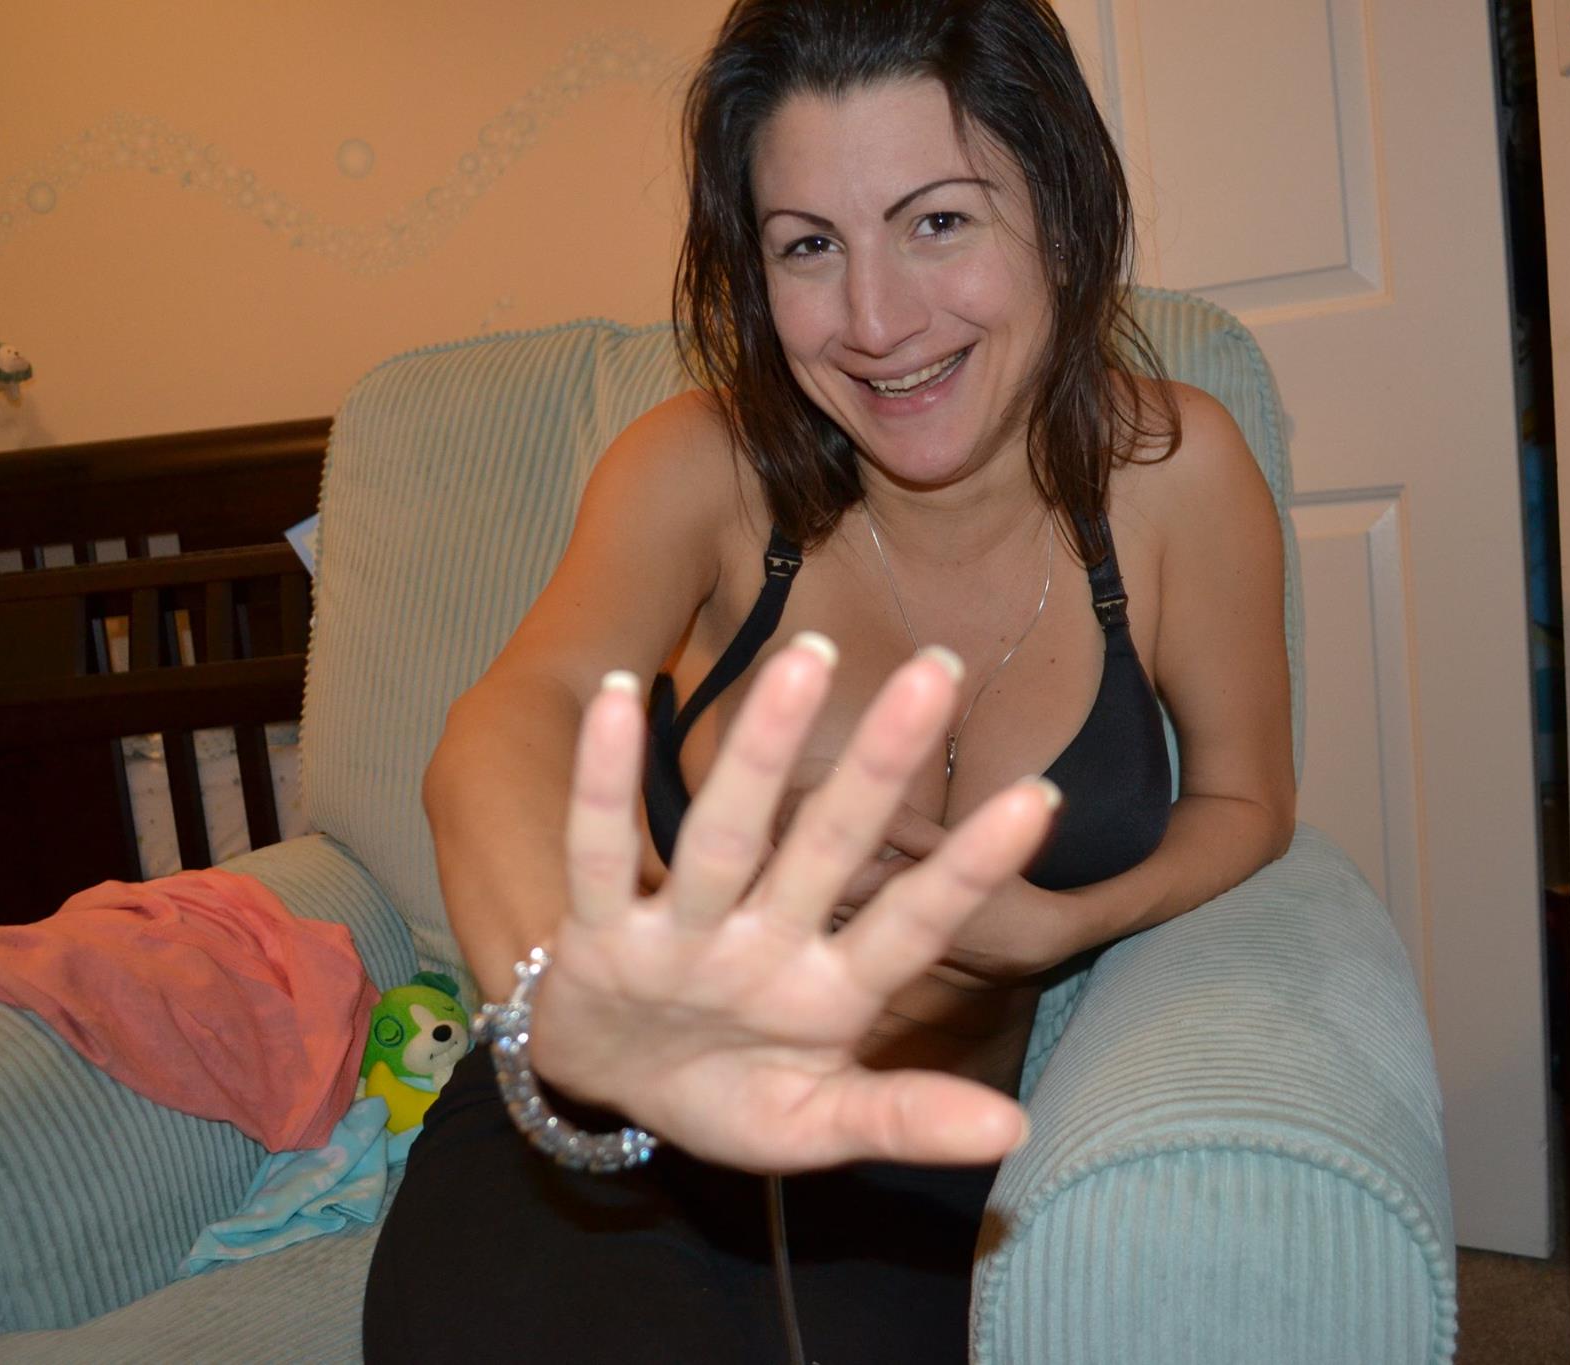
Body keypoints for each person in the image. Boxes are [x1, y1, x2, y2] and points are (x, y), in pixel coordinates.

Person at [364, 0, 1294, 1359]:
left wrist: (1061, 925)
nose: (875, 321)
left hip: (911, 1183)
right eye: (809, 245)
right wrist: (568, 997)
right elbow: (515, 715)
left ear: (1061, 211)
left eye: (938, 221)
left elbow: (1246, 800)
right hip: (601, 1154)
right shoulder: (700, 469)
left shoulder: (1176, 476)